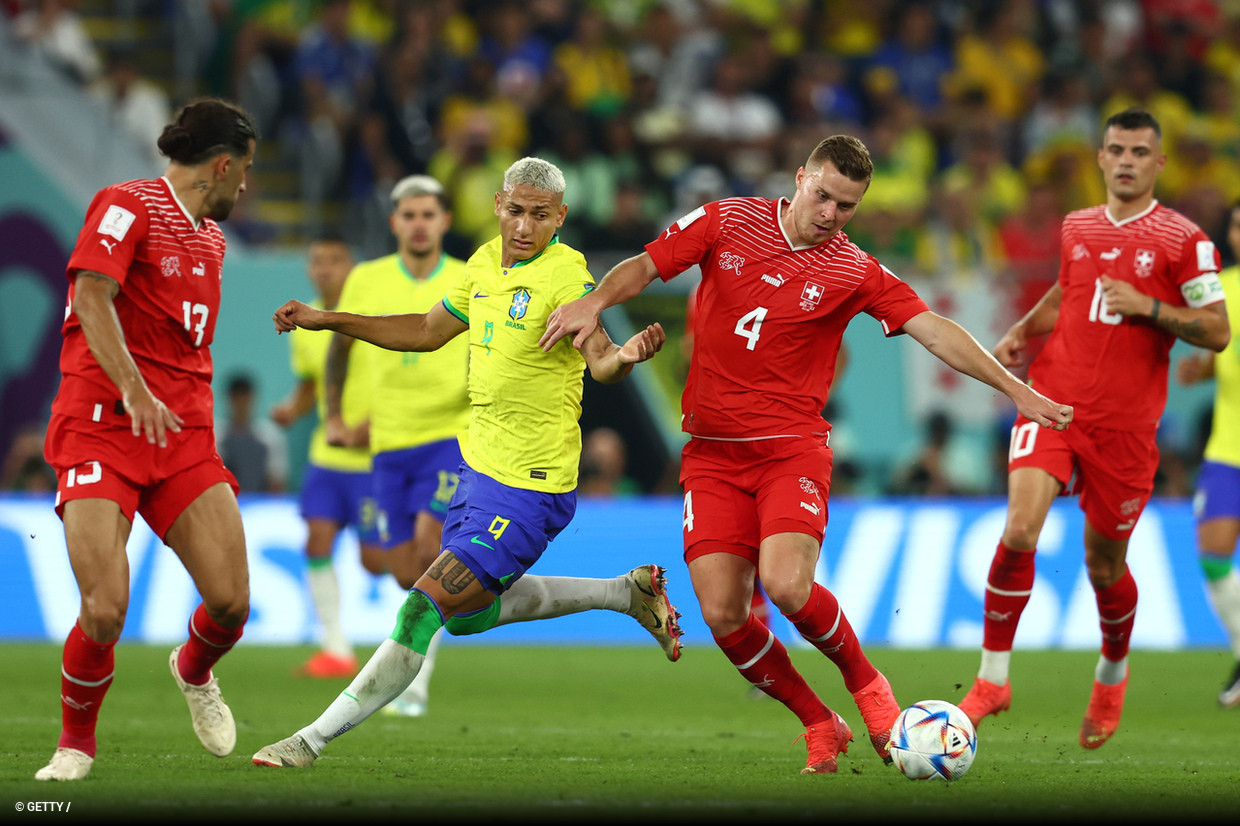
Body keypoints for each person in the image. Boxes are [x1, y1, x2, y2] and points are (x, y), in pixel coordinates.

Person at [538, 134, 1074, 775]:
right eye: (822, 195)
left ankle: (870, 688)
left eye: (846, 206)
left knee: (787, 584)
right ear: (799, 178)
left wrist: (1016, 388)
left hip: (790, 451)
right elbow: (647, 265)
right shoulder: (726, 219)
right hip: (710, 453)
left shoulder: (854, 270)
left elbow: (933, 329)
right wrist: (593, 301)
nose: (829, 213)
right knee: (722, 613)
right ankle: (820, 723)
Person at [252, 156, 682, 769]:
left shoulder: (566, 275)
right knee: (468, 617)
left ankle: (310, 740)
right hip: (478, 470)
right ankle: (624, 593)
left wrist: (627, 355)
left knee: (420, 608)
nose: (524, 226)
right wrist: (328, 320)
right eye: (515, 211)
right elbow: (425, 331)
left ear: (559, 217)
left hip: (531, 486)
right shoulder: (482, 264)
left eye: (540, 215)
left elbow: (601, 359)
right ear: (499, 206)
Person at [955, 109, 1230, 748]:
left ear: (1160, 163)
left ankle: (1112, 669)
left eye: (1140, 151)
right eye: (1116, 150)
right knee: (1021, 527)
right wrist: (1026, 328)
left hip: (1127, 430)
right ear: (1100, 159)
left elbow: (1216, 330)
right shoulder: (1076, 225)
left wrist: (1151, 308)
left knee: (1104, 567)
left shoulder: (1184, 241)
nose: (1127, 160)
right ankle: (993, 679)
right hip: (1054, 402)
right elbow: (1067, 291)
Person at [36, 97, 259, 782]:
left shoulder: (214, 239)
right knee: (104, 609)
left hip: (184, 433)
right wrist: (133, 387)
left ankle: (193, 672)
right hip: (104, 423)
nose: (245, 186)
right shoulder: (126, 204)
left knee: (231, 604)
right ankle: (76, 745)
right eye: (243, 172)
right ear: (221, 165)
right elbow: (94, 295)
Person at [323, 174, 472, 716]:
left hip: (450, 437)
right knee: (401, 568)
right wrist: (335, 413)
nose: (418, 223)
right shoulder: (365, 278)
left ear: (444, 221)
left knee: (431, 550)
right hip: (388, 442)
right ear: (394, 223)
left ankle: (414, 685)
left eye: (428, 214)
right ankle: (421, 654)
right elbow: (340, 347)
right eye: (408, 215)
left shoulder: (469, 276)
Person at [269, 234, 383, 680]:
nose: (326, 269)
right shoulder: (306, 328)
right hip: (326, 456)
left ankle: (415, 636)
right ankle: (335, 648)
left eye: (335, 260)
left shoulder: (372, 319)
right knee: (316, 542)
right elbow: (311, 385)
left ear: (351, 265)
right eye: (318, 261)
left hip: (373, 459)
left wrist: (371, 428)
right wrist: (291, 410)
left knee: (376, 562)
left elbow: (399, 380)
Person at [1176, 200, 1240, 707]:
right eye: (1237, 224)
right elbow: (1220, 350)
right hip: (1227, 448)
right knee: (1213, 555)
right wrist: (1204, 372)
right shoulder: (1223, 291)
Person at [216, 372, 288, 493]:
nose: (240, 404)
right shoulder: (215, 437)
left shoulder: (270, 436)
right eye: (236, 397)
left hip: (260, 506)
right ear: (229, 399)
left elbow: (277, 482)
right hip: (225, 504)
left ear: (252, 398)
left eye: (244, 397)